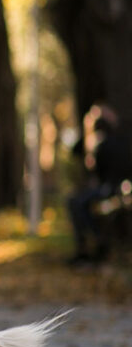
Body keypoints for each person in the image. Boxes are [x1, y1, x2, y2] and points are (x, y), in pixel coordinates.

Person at [66, 103, 132, 265]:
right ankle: (89, 244)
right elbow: (76, 150)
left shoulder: (119, 137)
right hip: (106, 188)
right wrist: (88, 128)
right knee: (76, 201)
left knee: (78, 202)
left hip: (115, 188)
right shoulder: (95, 140)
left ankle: (96, 241)